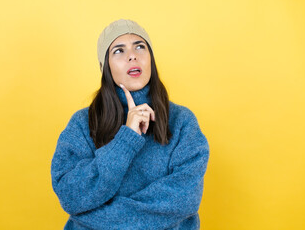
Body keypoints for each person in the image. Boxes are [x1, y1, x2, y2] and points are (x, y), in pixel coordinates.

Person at [51, 19, 210, 230]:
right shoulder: (82, 124)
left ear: (151, 59)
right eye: (118, 50)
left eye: (140, 46)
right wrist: (126, 140)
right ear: (105, 66)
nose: (132, 55)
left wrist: (95, 216)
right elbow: (71, 195)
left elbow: (184, 199)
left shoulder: (182, 122)